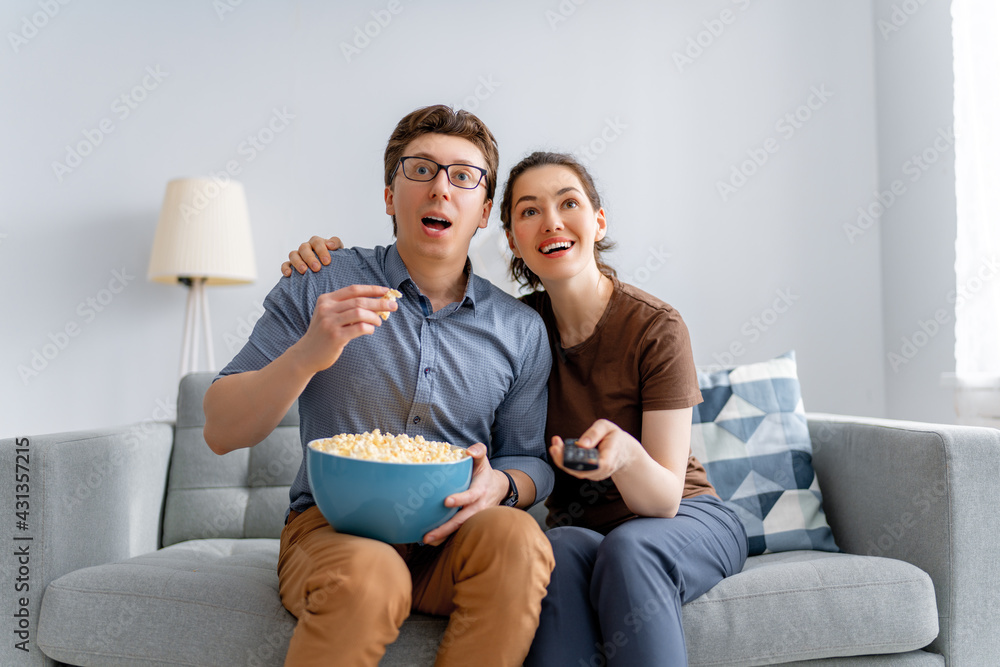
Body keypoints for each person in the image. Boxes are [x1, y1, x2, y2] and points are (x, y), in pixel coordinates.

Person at [283, 151, 749, 666]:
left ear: (598, 221)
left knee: (629, 550)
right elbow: (518, 456)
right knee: (558, 550)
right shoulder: (515, 329)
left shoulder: (656, 327)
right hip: (585, 529)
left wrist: (624, 458)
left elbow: (663, 500)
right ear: (512, 240)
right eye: (529, 211)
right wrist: (316, 260)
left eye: (568, 203)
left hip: (681, 514)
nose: (550, 221)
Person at [204, 105, 556, 667]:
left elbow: (531, 460)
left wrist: (502, 488)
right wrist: (308, 354)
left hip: (455, 535)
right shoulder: (322, 281)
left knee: (520, 541)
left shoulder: (520, 329)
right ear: (391, 196)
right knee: (373, 575)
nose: (441, 188)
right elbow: (221, 430)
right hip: (332, 532)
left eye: (463, 176)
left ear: (485, 209)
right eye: (420, 169)